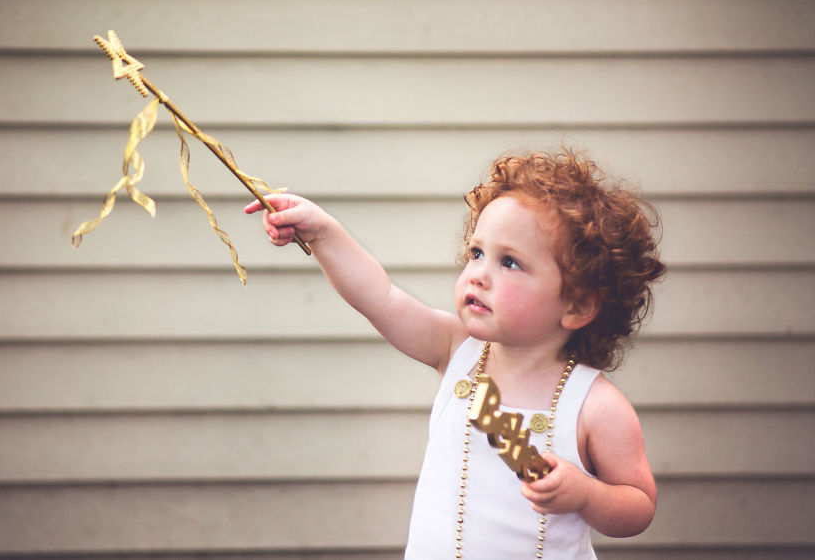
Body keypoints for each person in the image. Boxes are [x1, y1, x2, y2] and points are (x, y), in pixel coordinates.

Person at [245, 149, 664, 559]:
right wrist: (323, 235)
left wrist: (587, 495)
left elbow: (639, 505)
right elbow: (380, 297)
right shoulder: (458, 349)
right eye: (477, 253)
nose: (479, 274)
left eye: (511, 263)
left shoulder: (595, 405)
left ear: (576, 305)